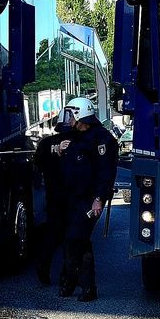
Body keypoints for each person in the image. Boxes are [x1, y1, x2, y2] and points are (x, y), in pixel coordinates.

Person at [56, 97, 119, 303]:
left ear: (80, 113)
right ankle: (80, 284)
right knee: (74, 240)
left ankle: (78, 283)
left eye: (71, 114)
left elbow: (105, 172)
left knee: (77, 238)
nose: (68, 119)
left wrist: (99, 199)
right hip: (70, 198)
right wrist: (57, 150)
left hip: (89, 199)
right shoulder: (72, 136)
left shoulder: (102, 138)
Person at [34, 111, 75, 285]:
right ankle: (67, 275)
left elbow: (37, 164)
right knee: (71, 236)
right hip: (73, 196)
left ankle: (44, 268)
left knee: (52, 234)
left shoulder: (45, 144)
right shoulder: (78, 143)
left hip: (53, 195)